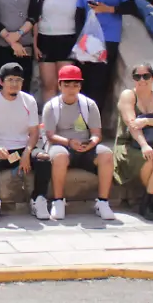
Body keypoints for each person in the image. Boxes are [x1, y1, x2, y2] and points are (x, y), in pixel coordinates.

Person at [43, 64, 116, 221]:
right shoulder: (51, 106)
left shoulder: (89, 105)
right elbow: (50, 135)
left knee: (106, 154)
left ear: (80, 86)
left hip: (85, 146)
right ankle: (58, 201)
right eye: (67, 84)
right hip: (61, 146)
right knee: (60, 156)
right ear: (60, 85)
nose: (71, 89)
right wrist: (69, 142)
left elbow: (96, 134)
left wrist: (91, 143)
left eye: (75, 85)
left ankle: (103, 202)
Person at [0, 62, 49, 222]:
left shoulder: (29, 100)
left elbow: (34, 132)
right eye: (10, 79)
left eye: (18, 80)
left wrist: (27, 153)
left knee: (44, 159)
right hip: (0, 149)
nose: (14, 84)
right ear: (1, 82)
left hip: (22, 148)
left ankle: (38, 199)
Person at [75, 0, 139, 110]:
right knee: (84, 82)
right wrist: (79, 40)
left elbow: (131, 6)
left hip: (108, 38)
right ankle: (84, 119)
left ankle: (96, 121)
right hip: (88, 39)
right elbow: (79, 14)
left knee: (100, 82)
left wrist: (108, 9)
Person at [114, 63, 153, 221]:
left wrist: (146, 121)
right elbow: (132, 125)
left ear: (152, 78)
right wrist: (144, 145)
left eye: (146, 76)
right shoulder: (128, 95)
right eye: (137, 77)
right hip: (130, 143)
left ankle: (146, 202)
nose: (142, 80)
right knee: (147, 160)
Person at [34, 0, 78, 101]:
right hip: (45, 40)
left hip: (68, 40)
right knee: (49, 85)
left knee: (66, 84)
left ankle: (67, 114)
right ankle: (48, 114)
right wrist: (35, 45)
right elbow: (35, 19)